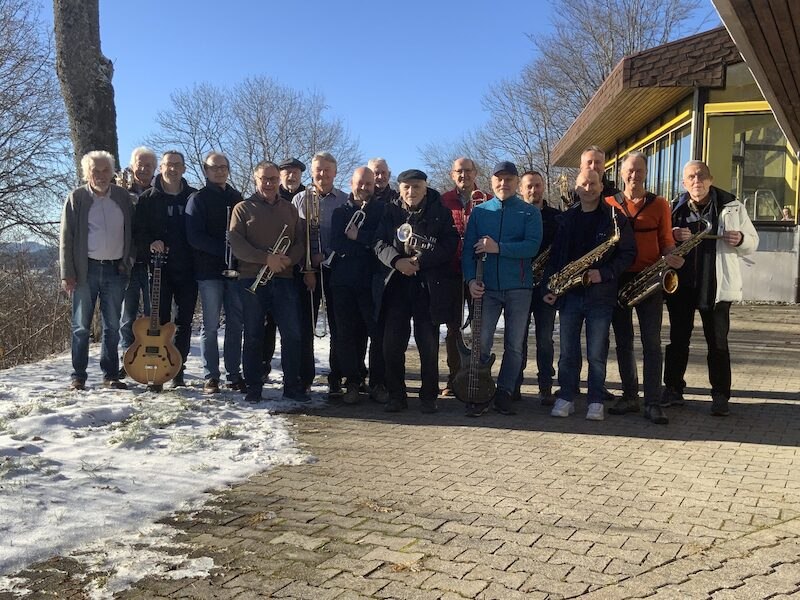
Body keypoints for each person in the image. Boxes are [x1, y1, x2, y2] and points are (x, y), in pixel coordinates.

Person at [663, 160, 759, 416]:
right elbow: (662, 243)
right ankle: (673, 389)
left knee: (717, 343)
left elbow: (753, 241)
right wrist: (671, 234)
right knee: (677, 341)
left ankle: (719, 395)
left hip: (716, 285)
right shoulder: (674, 208)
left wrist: (740, 239)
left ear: (711, 178)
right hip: (681, 286)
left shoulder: (732, 206)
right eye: (691, 177)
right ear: (684, 183)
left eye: (701, 176)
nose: (697, 181)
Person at [544, 170, 636, 421]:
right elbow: (556, 256)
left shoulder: (616, 218)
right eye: (583, 183)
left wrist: (604, 273)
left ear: (601, 185)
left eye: (593, 183)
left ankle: (595, 399)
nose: (588, 187)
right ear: (576, 187)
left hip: (600, 295)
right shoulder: (567, 218)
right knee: (568, 352)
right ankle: (566, 396)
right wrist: (552, 287)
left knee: (596, 353)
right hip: (570, 294)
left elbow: (628, 253)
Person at [605, 152, 682, 424]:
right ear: (621, 172)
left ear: (646, 173)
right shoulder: (609, 203)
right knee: (623, 342)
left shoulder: (660, 204)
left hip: (650, 279)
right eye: (629, 170)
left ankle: (652, 402)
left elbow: (666, 239)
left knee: (652, 343)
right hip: (617, 280)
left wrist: (673, 256)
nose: (634, 175)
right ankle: (629, 396)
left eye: (639, 170)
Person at [374, 169, 459, 413]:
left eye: (416, 187)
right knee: (392, 343)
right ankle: (397, 396)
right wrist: (397, 262)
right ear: (399, 188)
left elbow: (450, 244)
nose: (411, 192)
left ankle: (428, 396)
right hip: (397, 284)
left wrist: (422, 262)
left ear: (425, 187)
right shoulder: (389, 211)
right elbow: (379, 243)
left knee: (428, 343)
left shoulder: (440, 211)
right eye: (406, 187)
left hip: (427, 285)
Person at [462, 161, 542, 417]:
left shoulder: (529, 213)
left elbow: (532, 247)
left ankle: (505, 392)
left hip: (519, 288)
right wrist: (470, 281)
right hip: (487, 289)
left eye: (509, 179)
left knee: (514, 345)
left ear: (517, 182)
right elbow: (467, 252)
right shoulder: (480, 212)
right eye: (499, 179)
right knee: (481, 343)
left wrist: (499, 248)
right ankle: (480, 391)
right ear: (491, 181)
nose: (503, 183)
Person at [229, 161, 307, 403]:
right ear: (256, 179)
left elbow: (299, 243)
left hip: (283, 279)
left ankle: (292, 385)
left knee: (292, 334)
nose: (270, 183)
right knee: (253, 334)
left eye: (274, 179)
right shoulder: (242, 208)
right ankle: (254, 386)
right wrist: (266, 259)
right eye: (265, 179)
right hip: (252, 279)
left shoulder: (290, 209)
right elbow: (237, 244)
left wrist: (284, 262)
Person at [60, 150, 134, 390]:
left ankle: (110, 374)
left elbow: (132, 233)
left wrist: (129, 261)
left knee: (112, 325)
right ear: (86, 173)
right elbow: (66, 238)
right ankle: (78, 376)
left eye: (105, 170)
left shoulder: (123, 197)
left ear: (112, 172)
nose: (101, 175)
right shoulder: (77, 198)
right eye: (95, 170)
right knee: (81, 326)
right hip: (85, 271)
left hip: (116, 270)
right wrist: (67, 273)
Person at [134, 150, 198, 391]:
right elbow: (138, 233)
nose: (172, 169)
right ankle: (157, 371)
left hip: (188, 270)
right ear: (161, 168)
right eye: (168, 165)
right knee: (158, 322)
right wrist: (151, 242)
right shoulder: (148, 199)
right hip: (159, 271)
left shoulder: (194, 197)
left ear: (184, 168)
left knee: (184, 322)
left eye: (177, 165)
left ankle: (177, 369)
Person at [186, 151, 245, 394]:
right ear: (206, 171)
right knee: (210, 325)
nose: (219, 171)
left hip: (236, 271)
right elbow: (194, 237)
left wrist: (239, 252)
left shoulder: (237, 197)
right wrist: (225, 250)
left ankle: (233, 374)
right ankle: (211, 375)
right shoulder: (197, 199)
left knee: (235, 325)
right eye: (214, 167)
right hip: (209, 271)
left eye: (223, 167)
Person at [292, 152, 348, 397]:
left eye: (327, 170)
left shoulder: (345, 200)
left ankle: (337, 376)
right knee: (306, 327)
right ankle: (305, 376)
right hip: (307, 272)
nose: (322, 174)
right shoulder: (299, 200)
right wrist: (309, 262)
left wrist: (326, 255)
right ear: (311, 172)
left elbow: (346, 238)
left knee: (339, 327)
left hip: (336, 271)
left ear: (335, 173)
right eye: (318, 170)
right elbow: (295, 236)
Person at [329, 167, 386, 404]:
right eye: (360, 183)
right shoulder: (340, 212)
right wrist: (364, 247)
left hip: (372, 282)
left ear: (375, 185)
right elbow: (337, 244)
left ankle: (377, 383)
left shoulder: (382, 210)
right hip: (342, 282)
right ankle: (352, 381)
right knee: (345, 334)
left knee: (376, 334)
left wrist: (358, 238)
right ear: (351, 183)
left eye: (369, 184)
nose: (364, 188)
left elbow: (381, 241)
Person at [440, 157, 493, 397]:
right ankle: (455, 378)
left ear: (475, 173)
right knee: (454, 328)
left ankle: (478, 376)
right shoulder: (443, 201)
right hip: (451, 272)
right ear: (453, 175)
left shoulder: (488, 200)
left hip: (479, 272)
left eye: (468, 171)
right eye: (459, 171)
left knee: (479, 326)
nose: (464, 175)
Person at [515, 170, 560, 406]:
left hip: (546, 287)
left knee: (545, 339)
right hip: (519, 287)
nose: (534, 191)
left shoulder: (556, 217)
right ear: (521, 189)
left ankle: (545, 387)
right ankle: (514, 385)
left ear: (544, 187)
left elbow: (562, 253)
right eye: (529, 186)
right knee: (517, 339)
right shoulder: (512, 215)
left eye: (538, 186)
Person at [119, 146, 156, 375]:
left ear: (155, 169)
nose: (143, 169)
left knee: (155, 318)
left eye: (148, 165)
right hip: (129, 263)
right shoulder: (120, 193)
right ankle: (126, 360)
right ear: (132, 166)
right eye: (139, 164)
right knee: (127, 317)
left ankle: (152, 359)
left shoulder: (159, 194)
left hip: (155, 264)